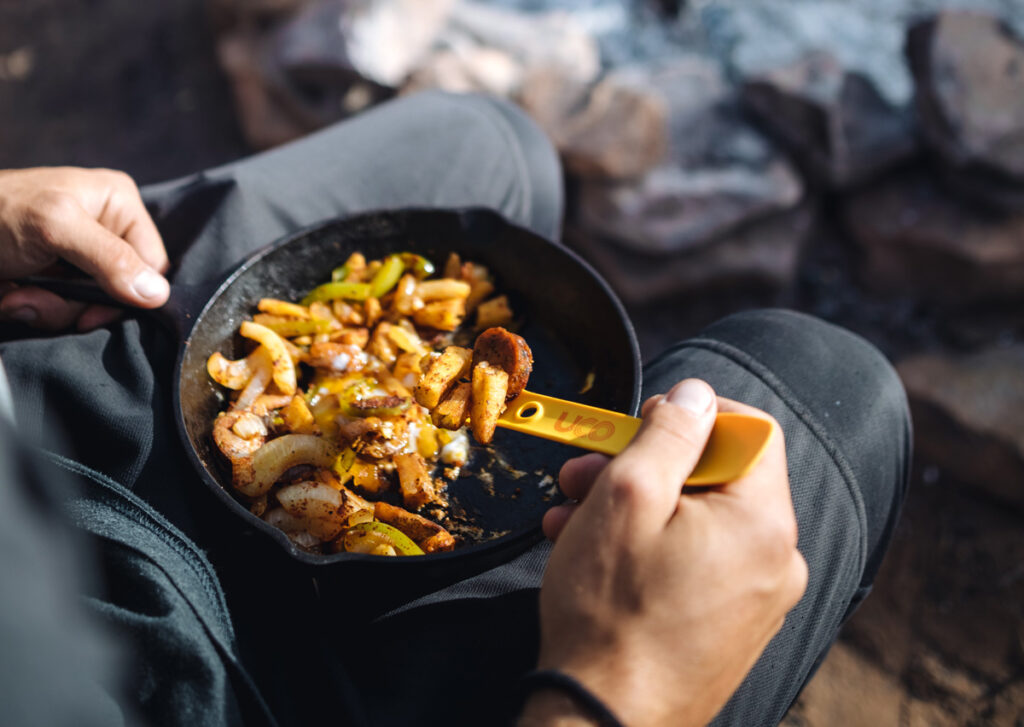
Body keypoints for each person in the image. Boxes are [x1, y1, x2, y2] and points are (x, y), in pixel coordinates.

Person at [0, 91, 911, 727]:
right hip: (239, 684)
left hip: (45, 413)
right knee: (836, 384)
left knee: (494, 139)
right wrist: (619, 695)